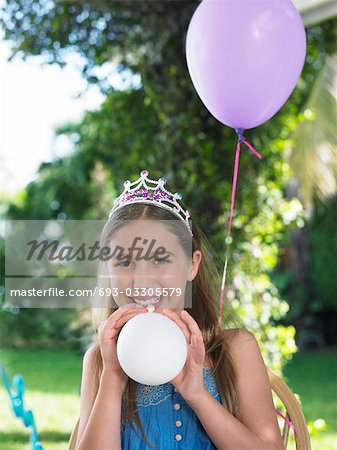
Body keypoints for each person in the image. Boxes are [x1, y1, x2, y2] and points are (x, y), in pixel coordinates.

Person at [74, 170, 285, 450]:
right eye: (124, 262)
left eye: (160, 259)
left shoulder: (235, 349)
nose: (142, 280)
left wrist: (197, 394)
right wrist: (112, 378)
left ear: (192, 265)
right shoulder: (100, 361)